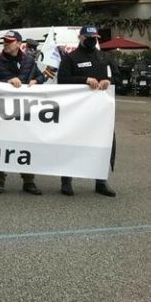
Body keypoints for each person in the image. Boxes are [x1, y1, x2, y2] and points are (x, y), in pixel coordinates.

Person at [57, 25, 117, 197]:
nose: (92, 40)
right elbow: (62, 80)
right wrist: (84, 80)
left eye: (94, 38)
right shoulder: (70, 58)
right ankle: (66, 181)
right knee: (72, 144)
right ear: (80, 38)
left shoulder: (104, 57)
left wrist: (109, 81)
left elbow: (117, 77)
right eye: (88, 38)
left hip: (100, 112)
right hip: (76, 111)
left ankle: (101, 181)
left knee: (102, 144)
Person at [0, 30, 43, 195]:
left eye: (9, 41)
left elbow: (41, 76)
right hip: (3, 110)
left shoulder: (29, 60)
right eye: (5, 41)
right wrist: (6, 82)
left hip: (24, 110)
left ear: (19, 44)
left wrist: (36, 80)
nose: (6, 44)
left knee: (26, 145)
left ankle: (28, 181)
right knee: (1, 145)